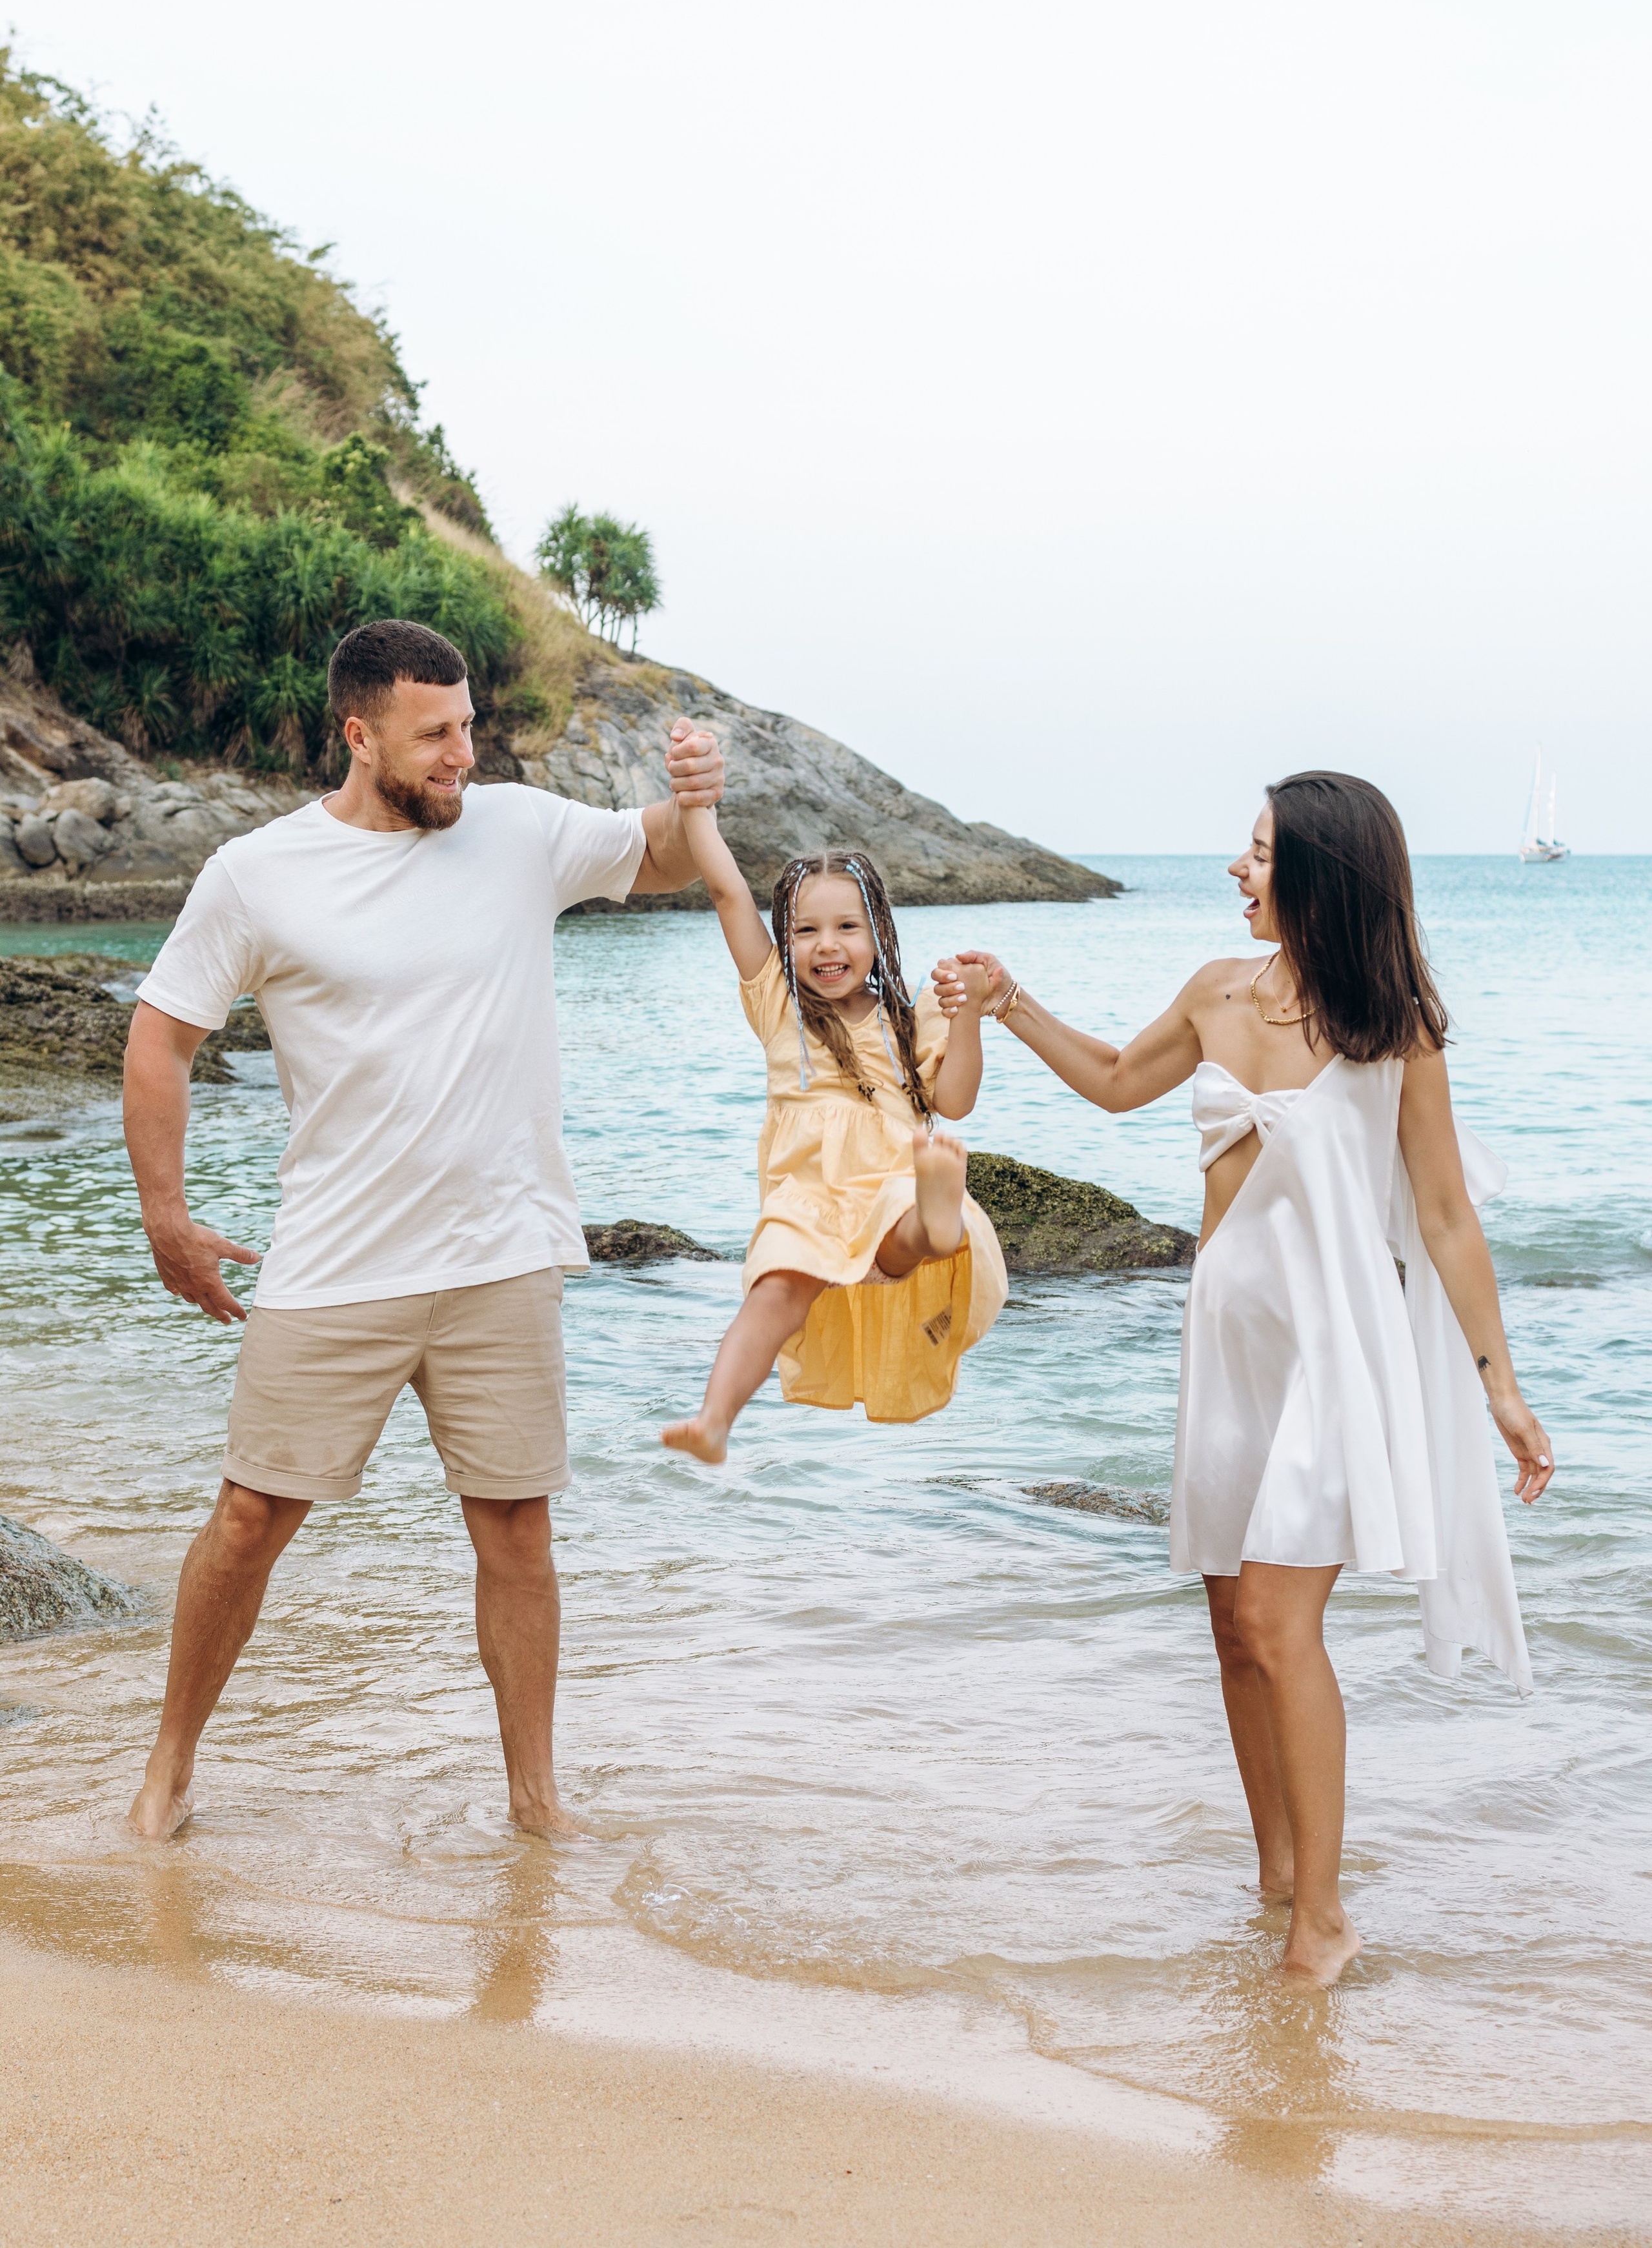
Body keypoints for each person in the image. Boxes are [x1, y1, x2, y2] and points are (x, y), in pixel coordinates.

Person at [940, 773, 1555, 1987]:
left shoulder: (1392, 1027)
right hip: (1229, 1342)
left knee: (1280, 1617)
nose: (1237, 868)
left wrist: (1499, 1381)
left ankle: (1323, 1916)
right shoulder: (1216, 992)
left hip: (1337, 1346)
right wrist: (1011, 1004)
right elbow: (1118, 1078)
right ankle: (1279, 1874)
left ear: (1318, 874)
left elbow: (1442, 1216)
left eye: (1260, 851)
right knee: (1231, 1624)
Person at [124, 617, 725, 1842]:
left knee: (518, 1526)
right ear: (360, 734)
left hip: (503, 1253)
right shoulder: (258, 872)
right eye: (436, 734)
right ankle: (169, 1765)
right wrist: (165, 1214)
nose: (464, 754)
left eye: (470, 727)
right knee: (248, 1519)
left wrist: (693, 796)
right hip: (337, 1259)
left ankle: (535, 1797)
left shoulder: (515, 828)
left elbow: (658, 855)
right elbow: (162, 1035)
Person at [660, 805, 1007, 1464]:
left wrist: (967, 1016)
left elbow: (954, 1102)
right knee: (773, 1292)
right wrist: (697, 809)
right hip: (808, 1198)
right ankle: (713, 1419)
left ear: (878, 935)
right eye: (806, 930)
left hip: (893, 1179)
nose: (827, 944)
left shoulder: (909, 1018)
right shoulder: (778, 1004)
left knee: (900, 1223)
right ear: (784, 942)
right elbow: (727, 890)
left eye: (847, 927)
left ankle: (937, 1221)